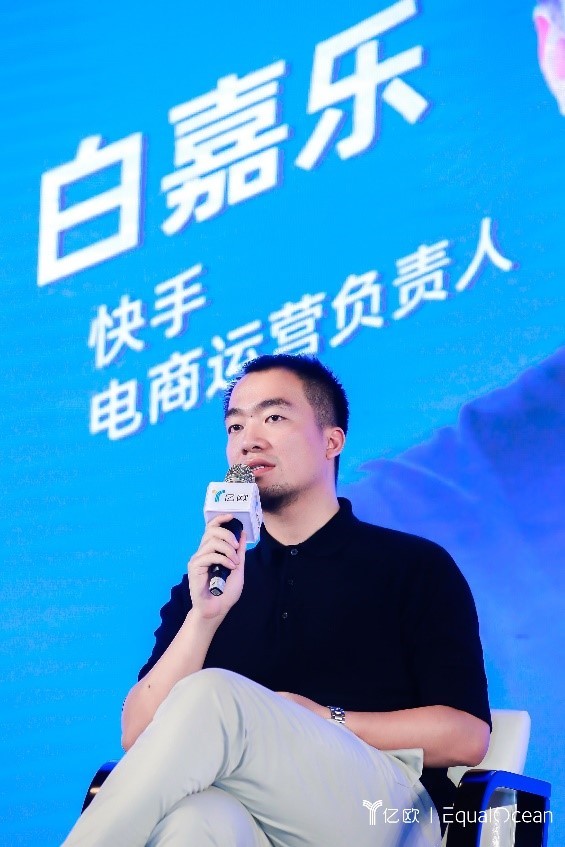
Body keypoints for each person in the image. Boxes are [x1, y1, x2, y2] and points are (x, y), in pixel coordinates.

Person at [61, 354, 491, 847]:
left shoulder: (412, 566)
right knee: (192, 820)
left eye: (274, 417)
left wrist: (326, 719)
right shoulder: (210, 583)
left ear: (332, 441)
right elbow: (139, 735)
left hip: (386, 811)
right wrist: (204, 618)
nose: (249, 439)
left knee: (213, 694)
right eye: (235, 426)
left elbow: (467, 737)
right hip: (252, 815)